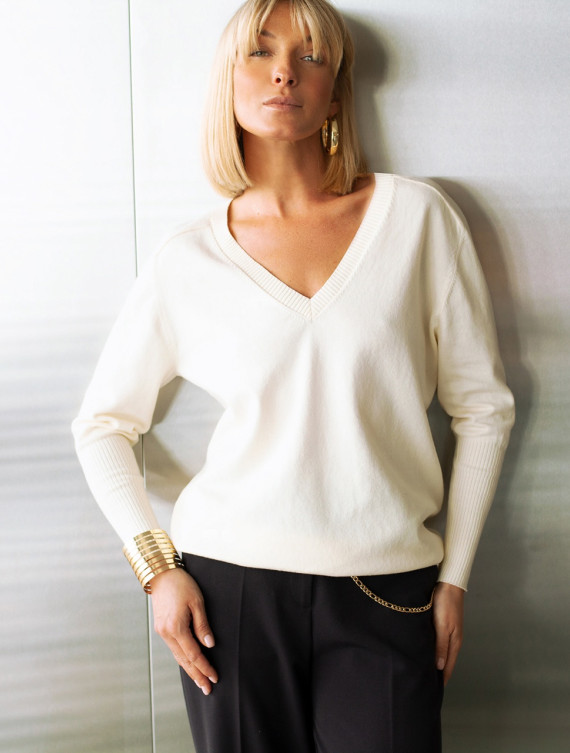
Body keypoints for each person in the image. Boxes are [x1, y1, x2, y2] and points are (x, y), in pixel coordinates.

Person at [72, 0, 515, 751]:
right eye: (261, 51)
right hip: (227, 591)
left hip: (388, 590)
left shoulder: (416, 219)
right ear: (229, 79)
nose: (285, 71)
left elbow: (484, 408)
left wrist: (456, 578)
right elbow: (103, 424)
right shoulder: (188, 259)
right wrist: (157, 568)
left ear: (336, 92)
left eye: (312, 56)